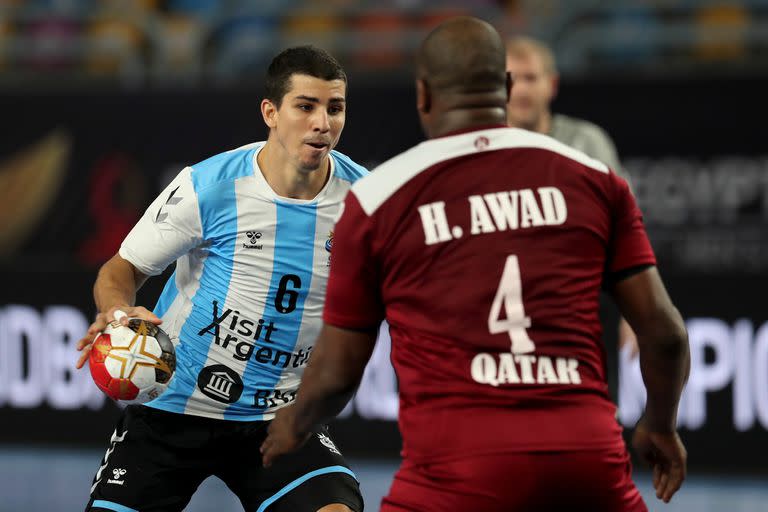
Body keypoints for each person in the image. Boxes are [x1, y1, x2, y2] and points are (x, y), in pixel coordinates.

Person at [261, 17, 689, 512]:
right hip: (586, 461)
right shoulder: (594, 178)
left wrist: (292, 425)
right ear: (505, 89)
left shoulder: (379, 196)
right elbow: (666, 335)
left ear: (423, 95)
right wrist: (661, 425)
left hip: (454, 474)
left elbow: (338, 374)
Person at [75, 45, 366, 512]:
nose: (323, 122)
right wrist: (119, 312)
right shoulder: (208, 186)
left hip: (278, 419)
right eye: (306, 106)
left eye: (335, 108)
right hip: (170, 408)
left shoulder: (366, 201)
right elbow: (121, 268)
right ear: (271, 112)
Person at [506, 35, 640, 357]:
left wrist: (636, 312)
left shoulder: (588, 142)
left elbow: (626, 228)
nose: (522, 89)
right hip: (505, 311)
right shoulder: (482, 147)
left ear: (551, 84)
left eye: (531, 78)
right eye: (512, 79)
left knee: (597, 407)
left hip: (584, 310)